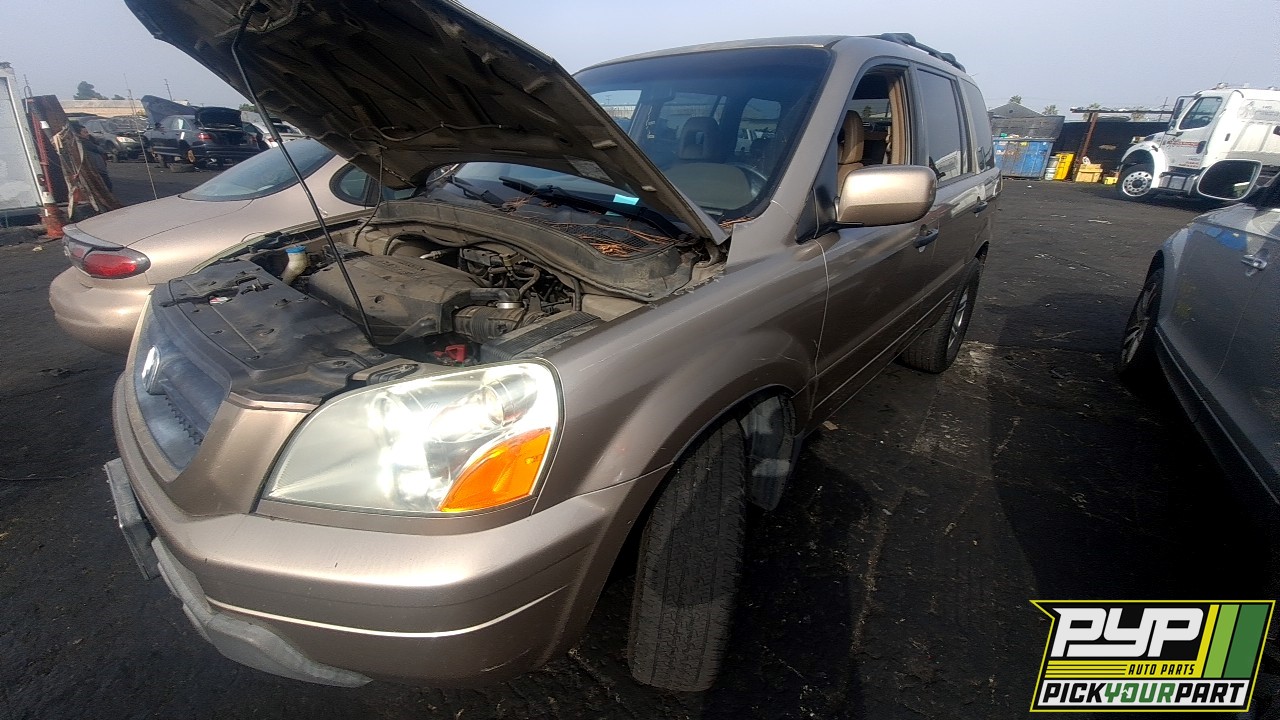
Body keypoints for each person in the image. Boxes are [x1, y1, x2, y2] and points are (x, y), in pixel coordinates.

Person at [69, 121, 112, 191]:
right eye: (85, 132)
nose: (87, 134)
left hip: (99, 168)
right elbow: (100, 149)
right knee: (106, 186)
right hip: (97, 169)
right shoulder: (85, 143)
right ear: (79, 134)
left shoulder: (89, 141)